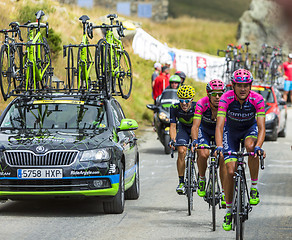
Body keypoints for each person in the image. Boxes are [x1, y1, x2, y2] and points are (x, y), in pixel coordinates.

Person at [215, 69, 266, 231]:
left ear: (250, 86)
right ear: (233, 86)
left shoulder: (258, 99)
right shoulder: (226, 98)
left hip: (249, 130)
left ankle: (254, 188)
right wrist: (219, 147)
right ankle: (229, 212)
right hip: (231, 132)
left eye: (246, 85)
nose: (242, 89)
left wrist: (259, 146)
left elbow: (261, 127)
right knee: (230, 171)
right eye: (239, 85)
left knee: (251, 148)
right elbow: (220, 126)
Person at [191, 79, 227, 207]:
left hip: (221, 131)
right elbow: (195, 126)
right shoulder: (201, 103)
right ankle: (201, 178)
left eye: (220, 94)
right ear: (208, 94)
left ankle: (224, 191)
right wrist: (195, 141)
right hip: (205, 131)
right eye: (214, 94)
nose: (217, 97)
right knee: (203, 153)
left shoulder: (227, 104)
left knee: (223, 156)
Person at [169, 85, 196, 194]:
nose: (184, 103)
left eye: (187, 101)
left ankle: (199, 175)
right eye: (181, 100)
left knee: (201, 150)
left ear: (192, 100)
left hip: (196, 128)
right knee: (181, 151)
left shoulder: (197, 107)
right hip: (183, 129)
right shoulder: (174, 108)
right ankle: (181, 182)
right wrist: (172, 140)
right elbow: (173, 126)